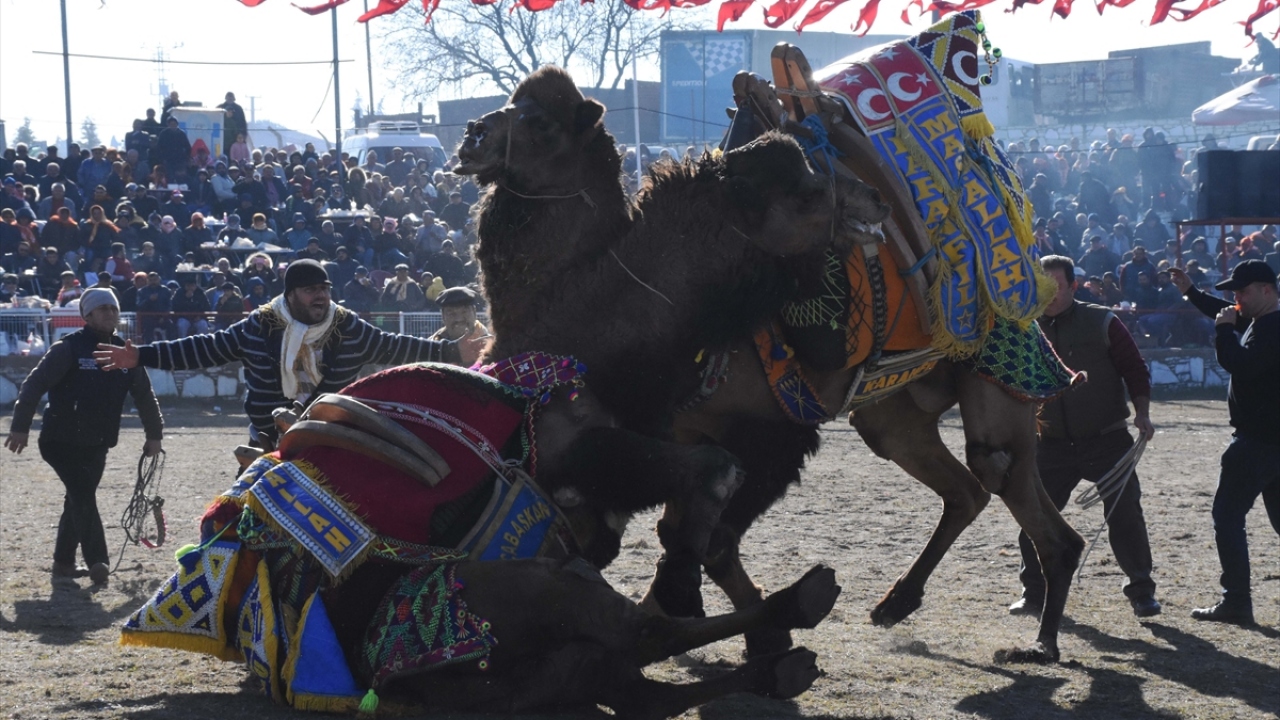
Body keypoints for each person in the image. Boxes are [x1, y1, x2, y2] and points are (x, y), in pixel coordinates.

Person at [94, 260, 463, 448]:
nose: (319, 297)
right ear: (290, 295)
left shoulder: (348, 327)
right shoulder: (258, 326)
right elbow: (203, 348)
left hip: (333, 439)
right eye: (309, 290)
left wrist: (453, 352)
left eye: (323, 289)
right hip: (267, 440)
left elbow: (397, 347)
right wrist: (140, 356)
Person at [1009, 255, 1161, 618]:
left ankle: (1141, 591)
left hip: (1107, 438)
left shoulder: (1103, 321)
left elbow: (1134, 368)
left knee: (1126, 515)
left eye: (1057, 287)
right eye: (1043, 288)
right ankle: (1034, 593)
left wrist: (1141, 412)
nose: (1050, 295)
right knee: (1034, 518)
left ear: (1074, 287)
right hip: (1051, 443)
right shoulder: (1023, 327)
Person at [5, 288, 163, 586]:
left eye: (113, 308)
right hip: (59, 442)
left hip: (97, 443)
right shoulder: (68, 349)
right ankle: (98, 560)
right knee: (83, 496)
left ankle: (63, 563)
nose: (110, 314)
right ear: (87, 316)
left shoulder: (127, 353)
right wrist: (20, 427)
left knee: (77, 500)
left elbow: (144, 396)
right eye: (103, 309)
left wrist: (155, 435)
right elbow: (33, 386)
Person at [1170, 261, 1280, 625]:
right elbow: (1222, 312)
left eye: (1243, 291)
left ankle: (1236, 602)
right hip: (1269, 440)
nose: (1236, 299)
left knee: (1227, 517)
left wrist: (1222, 335)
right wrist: (1190, 291)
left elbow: (1242, 365)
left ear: (1267, 290)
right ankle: (1235, 601)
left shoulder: (1271, 328)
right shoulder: (1263, 321)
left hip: (1258, 442)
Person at [428, 285, 490, 367]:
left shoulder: (490, 347)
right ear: (443, 316)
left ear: (474, 312)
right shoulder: (432, 346)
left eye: (464, 312)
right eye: (451, 313)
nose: (459, 319)